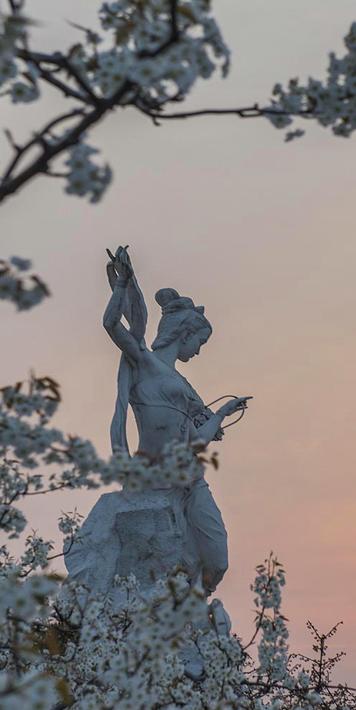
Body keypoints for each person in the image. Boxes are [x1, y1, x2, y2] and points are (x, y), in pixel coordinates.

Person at [100, 245, 249, 594]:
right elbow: (111, 323)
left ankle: (187, 621)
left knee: (217, 559)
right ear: (184, 332)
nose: (198, 350)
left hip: (190, 478)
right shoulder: (143, 362)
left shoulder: (185, 386)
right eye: (199, 340)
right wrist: (122, 287)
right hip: (153, 476)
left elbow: (197, 442)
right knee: (163, 563)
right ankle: (166, 617)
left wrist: (224, 414)